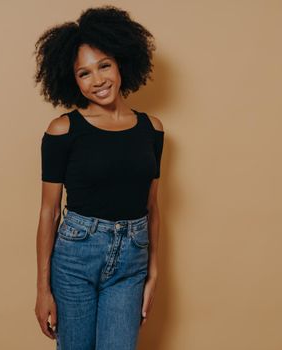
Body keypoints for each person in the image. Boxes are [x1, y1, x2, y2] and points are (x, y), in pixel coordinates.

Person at [33, 5, 164, 350]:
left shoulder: (152, 129)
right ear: (71, 80)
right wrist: (43, 290)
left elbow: (152, 206)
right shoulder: (62, 130)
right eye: (84, 73)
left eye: (104, 65)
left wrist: (153, 274)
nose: (98, 80)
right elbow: (49, 212)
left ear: (122, 61)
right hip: (76, 257)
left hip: (131, 262)